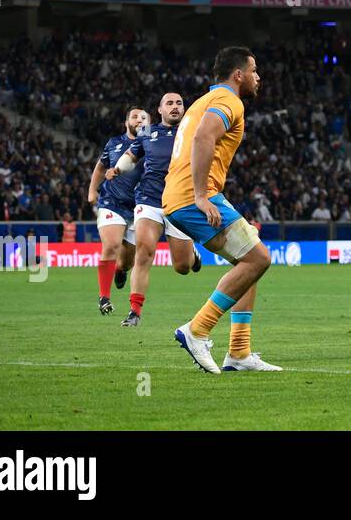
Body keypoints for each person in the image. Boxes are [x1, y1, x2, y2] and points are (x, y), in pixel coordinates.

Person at [166, 47, 280, 374]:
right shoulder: (231, 101)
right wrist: (202, 196)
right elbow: (203, 137)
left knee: (250, 259)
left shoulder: (203, 101)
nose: (258, 77)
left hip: (180, 194)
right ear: (238, 75)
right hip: (194, 196)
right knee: (259, 259)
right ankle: (197, 330)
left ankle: (239, 353)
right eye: (254, 70)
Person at [102, 91, 201, 327]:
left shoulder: (192, 130)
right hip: (148, 199)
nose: (175, 107)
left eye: (179, 103)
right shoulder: (147, 132)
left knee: (182, 267)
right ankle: (134, 312)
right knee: (144, 250)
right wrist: (118, 168)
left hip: (180, 201)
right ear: (160, 109)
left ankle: (192, 254)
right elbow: (131, 154)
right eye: (170, 103)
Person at [86, 107, 148, 315]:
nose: (139, 120)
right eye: (134, 116)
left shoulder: (151, 145)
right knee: (111, 245)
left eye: (143, 117)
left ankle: (120, 271)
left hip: (138, 208)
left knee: (126, 261)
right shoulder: (114, 143)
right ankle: (104, 297)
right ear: (126, 122)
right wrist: (92, 190)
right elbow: (100, 168)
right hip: (111, 202)